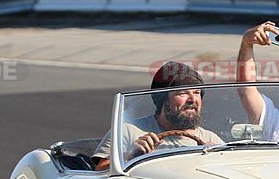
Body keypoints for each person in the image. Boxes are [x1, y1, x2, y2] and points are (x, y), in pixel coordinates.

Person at [93, 61, 223, 170]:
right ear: (163, 100)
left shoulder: (211, 139)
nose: (192, 99)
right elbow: (100, 172)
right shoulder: (128, 130)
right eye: (182, 93)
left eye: (197, 92)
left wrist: (218, 157)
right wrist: (132, 156)